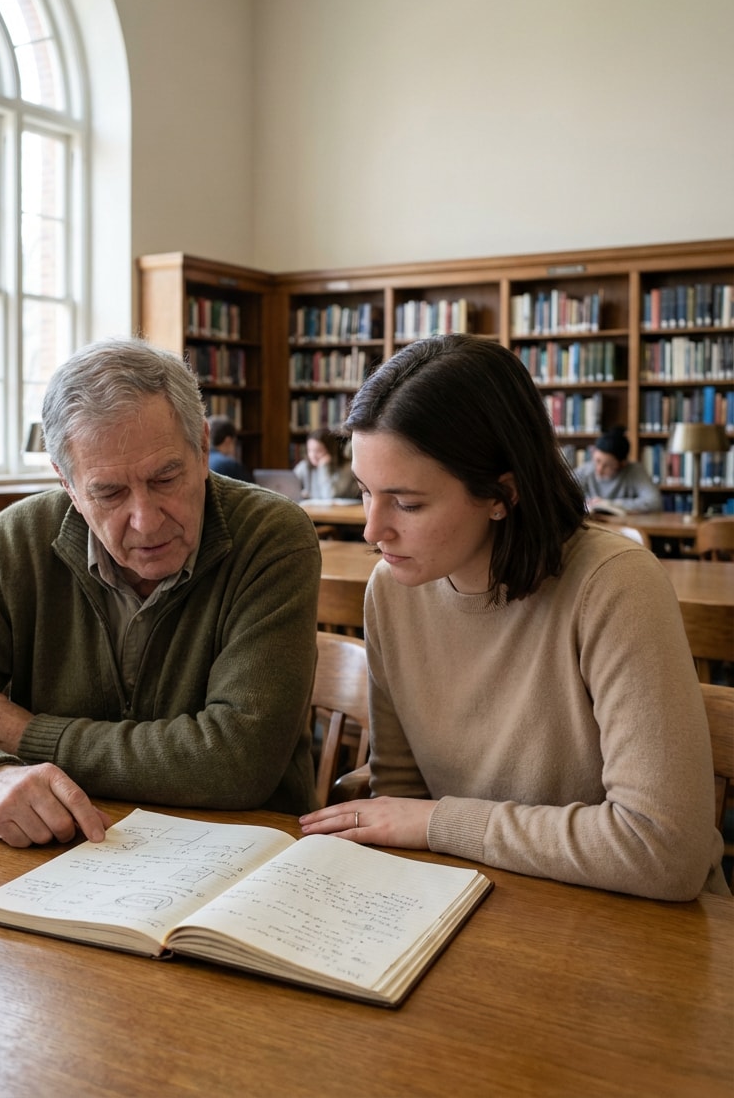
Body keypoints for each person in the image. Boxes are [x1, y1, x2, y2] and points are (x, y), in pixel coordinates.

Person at [299, 336, 726, 900]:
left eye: (408, 503)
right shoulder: (393, 590)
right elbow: (400, 796)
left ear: (502, 494)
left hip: (635, 923)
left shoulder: (616, 585)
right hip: (476, 898)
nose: (372, 531)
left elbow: (664, 850)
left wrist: (438, 824)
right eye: (364, 491)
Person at [0, 339, 321, 848]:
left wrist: (30, 736)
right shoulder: (18, 539)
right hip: (60, 850)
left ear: (202, 446)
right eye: (109, 493)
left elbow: (239, 760)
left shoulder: (272, 535)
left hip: (246, 852)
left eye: (165, 477)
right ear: (67, 484)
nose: (146, 521)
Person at [573, 426, 662, 514]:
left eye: (607, 465)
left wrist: (609, 504)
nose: (599, 469)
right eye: (597, 461)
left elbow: (654, 502)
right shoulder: (585, 470)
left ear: (622, 464)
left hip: (626, 522)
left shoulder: (635, 471)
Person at [293, 427, 359, 500]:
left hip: (340, 507)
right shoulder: (304, 466)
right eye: (310, 450)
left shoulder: (347, 467)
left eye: (318, 451)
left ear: (331, 450)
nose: (313, 455)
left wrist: (323, 467)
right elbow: (289, 486)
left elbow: (329, 495)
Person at [207, 414, 252, 482]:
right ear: (228, 441)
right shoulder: (229, 464)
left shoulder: (201, 460)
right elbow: (252, 487)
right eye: (235, 442)